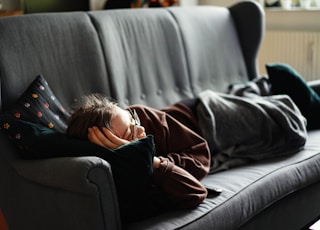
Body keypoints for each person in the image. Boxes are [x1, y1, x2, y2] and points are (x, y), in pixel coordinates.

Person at [67, 94, 211, 211]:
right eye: (130, 133)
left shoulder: (142, 115)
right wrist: (150, 159)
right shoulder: (128, 172)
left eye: (133, 119)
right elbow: (196, 192)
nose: (141, 129)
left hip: (204, 112)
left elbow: (201, 158)